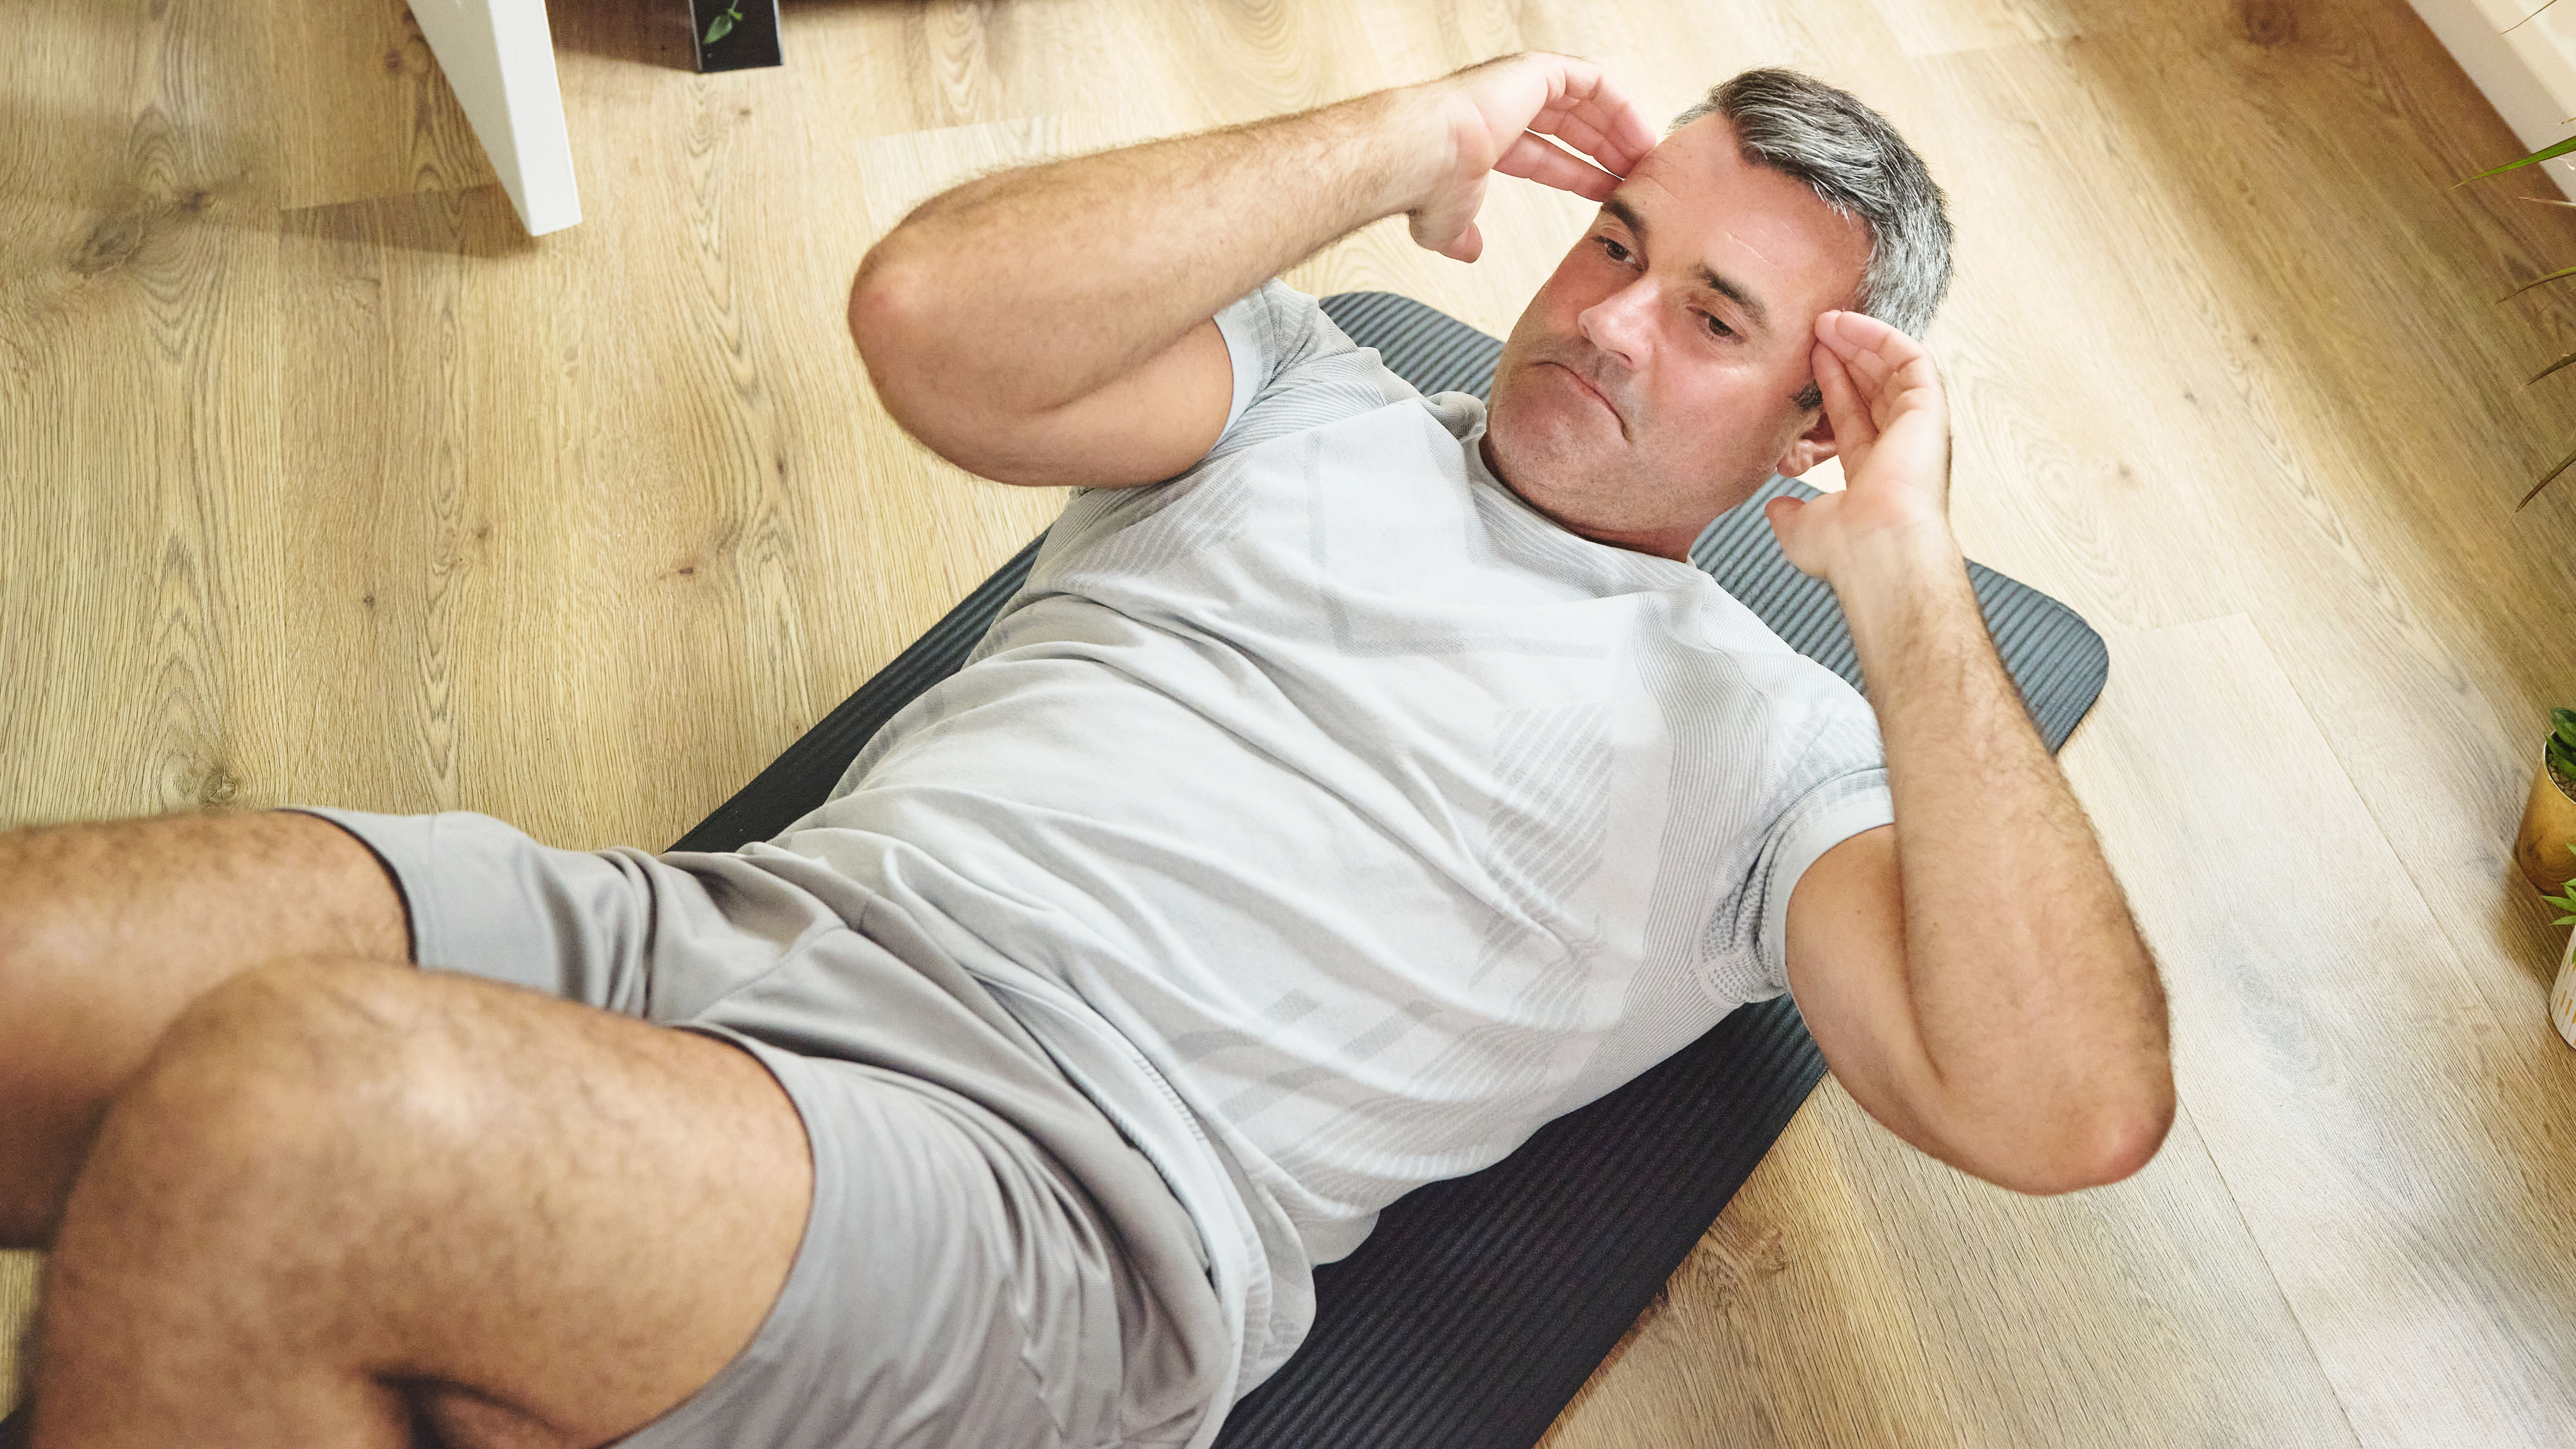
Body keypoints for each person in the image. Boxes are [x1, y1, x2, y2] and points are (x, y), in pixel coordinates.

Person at [0, 52, 2174, 1449]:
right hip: (723, 938)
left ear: (1822, 413)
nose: (1601, 319)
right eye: (1615, 244)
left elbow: (2065, 1104)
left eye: (1711, 319)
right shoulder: (1308, 390)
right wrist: (1413, 135)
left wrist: (1906, 581)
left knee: (283, 1117)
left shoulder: (1776, 749)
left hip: (1056, 1197)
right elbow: (927, 319)